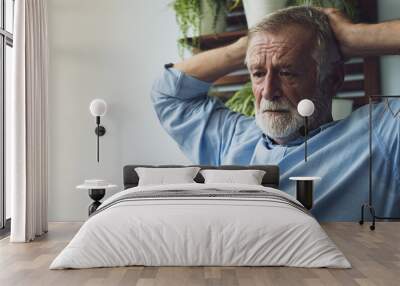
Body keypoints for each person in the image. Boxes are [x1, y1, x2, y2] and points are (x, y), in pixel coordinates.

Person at [151, 6, 400, 221]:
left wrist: (357, 37)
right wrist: (248, 46)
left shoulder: (379, 135)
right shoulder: (231, 138)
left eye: (287, 72)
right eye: (258, 73)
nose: (269, 92)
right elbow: (168, 95)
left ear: (333, 79)